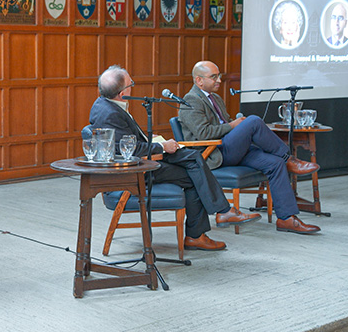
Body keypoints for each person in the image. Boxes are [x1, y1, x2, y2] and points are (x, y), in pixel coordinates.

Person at [89, 65, 261, 252]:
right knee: (195, 173)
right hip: (133, 172)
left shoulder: (107, 104)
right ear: (123, 93)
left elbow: (127, 141)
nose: (133, 87)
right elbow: (131, 150)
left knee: (194, 161)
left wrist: (154, 141)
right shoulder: (110, 113)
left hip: (141, 160)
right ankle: (206, 227)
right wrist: (163, 146)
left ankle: (214, 220)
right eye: (132, 84)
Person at [178, 61, 321, 234]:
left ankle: (286, 219)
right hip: (215, 153)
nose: (219, 80)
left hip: (229, 147)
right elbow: (203, 133)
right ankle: (289, 159)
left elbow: (225, 122)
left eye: (219, 76)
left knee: (274, 163)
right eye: (213, 77)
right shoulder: (190, 100)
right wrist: (233, 125)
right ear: (199, 80)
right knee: (253, 121)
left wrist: (237, 124)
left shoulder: (215, 98)